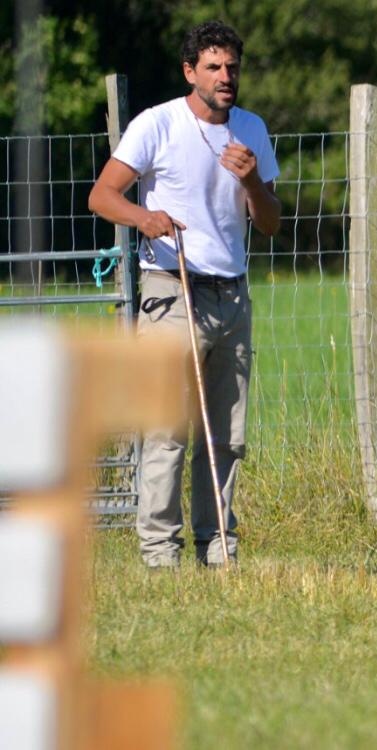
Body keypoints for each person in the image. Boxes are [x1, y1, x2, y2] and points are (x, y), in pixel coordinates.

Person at [89, 20, 280, 568]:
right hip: (172, 293)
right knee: (167, 431)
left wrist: (248, 181)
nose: (226, 78)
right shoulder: (157, 124)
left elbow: (269, 223)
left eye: (233, 68)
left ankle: (218, 547)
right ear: (189, 71)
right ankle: (159, 554)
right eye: (214, 67)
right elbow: (102, 195)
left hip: (232, 297)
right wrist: (145, 218)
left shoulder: (252, 129)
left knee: (226, 436)